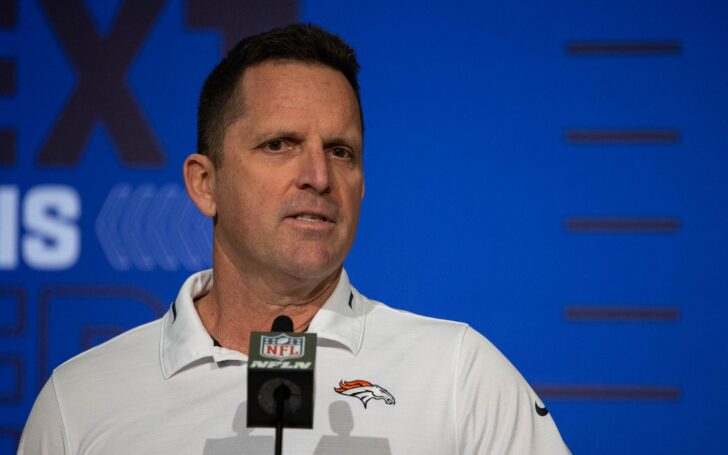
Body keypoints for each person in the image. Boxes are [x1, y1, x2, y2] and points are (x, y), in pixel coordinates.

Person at [19, 24, 571, 454]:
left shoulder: (458, 374)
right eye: (280, 144)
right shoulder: (80, 401)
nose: (319, 176)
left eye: (341, 151)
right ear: (205, 184)